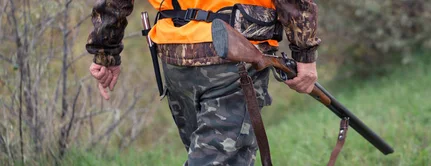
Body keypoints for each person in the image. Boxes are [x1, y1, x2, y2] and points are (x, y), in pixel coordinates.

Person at [86, 0, 320, 165]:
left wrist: (105, 51)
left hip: (176, 57)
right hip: (236, 59)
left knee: (206, 157)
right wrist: (305, 55)